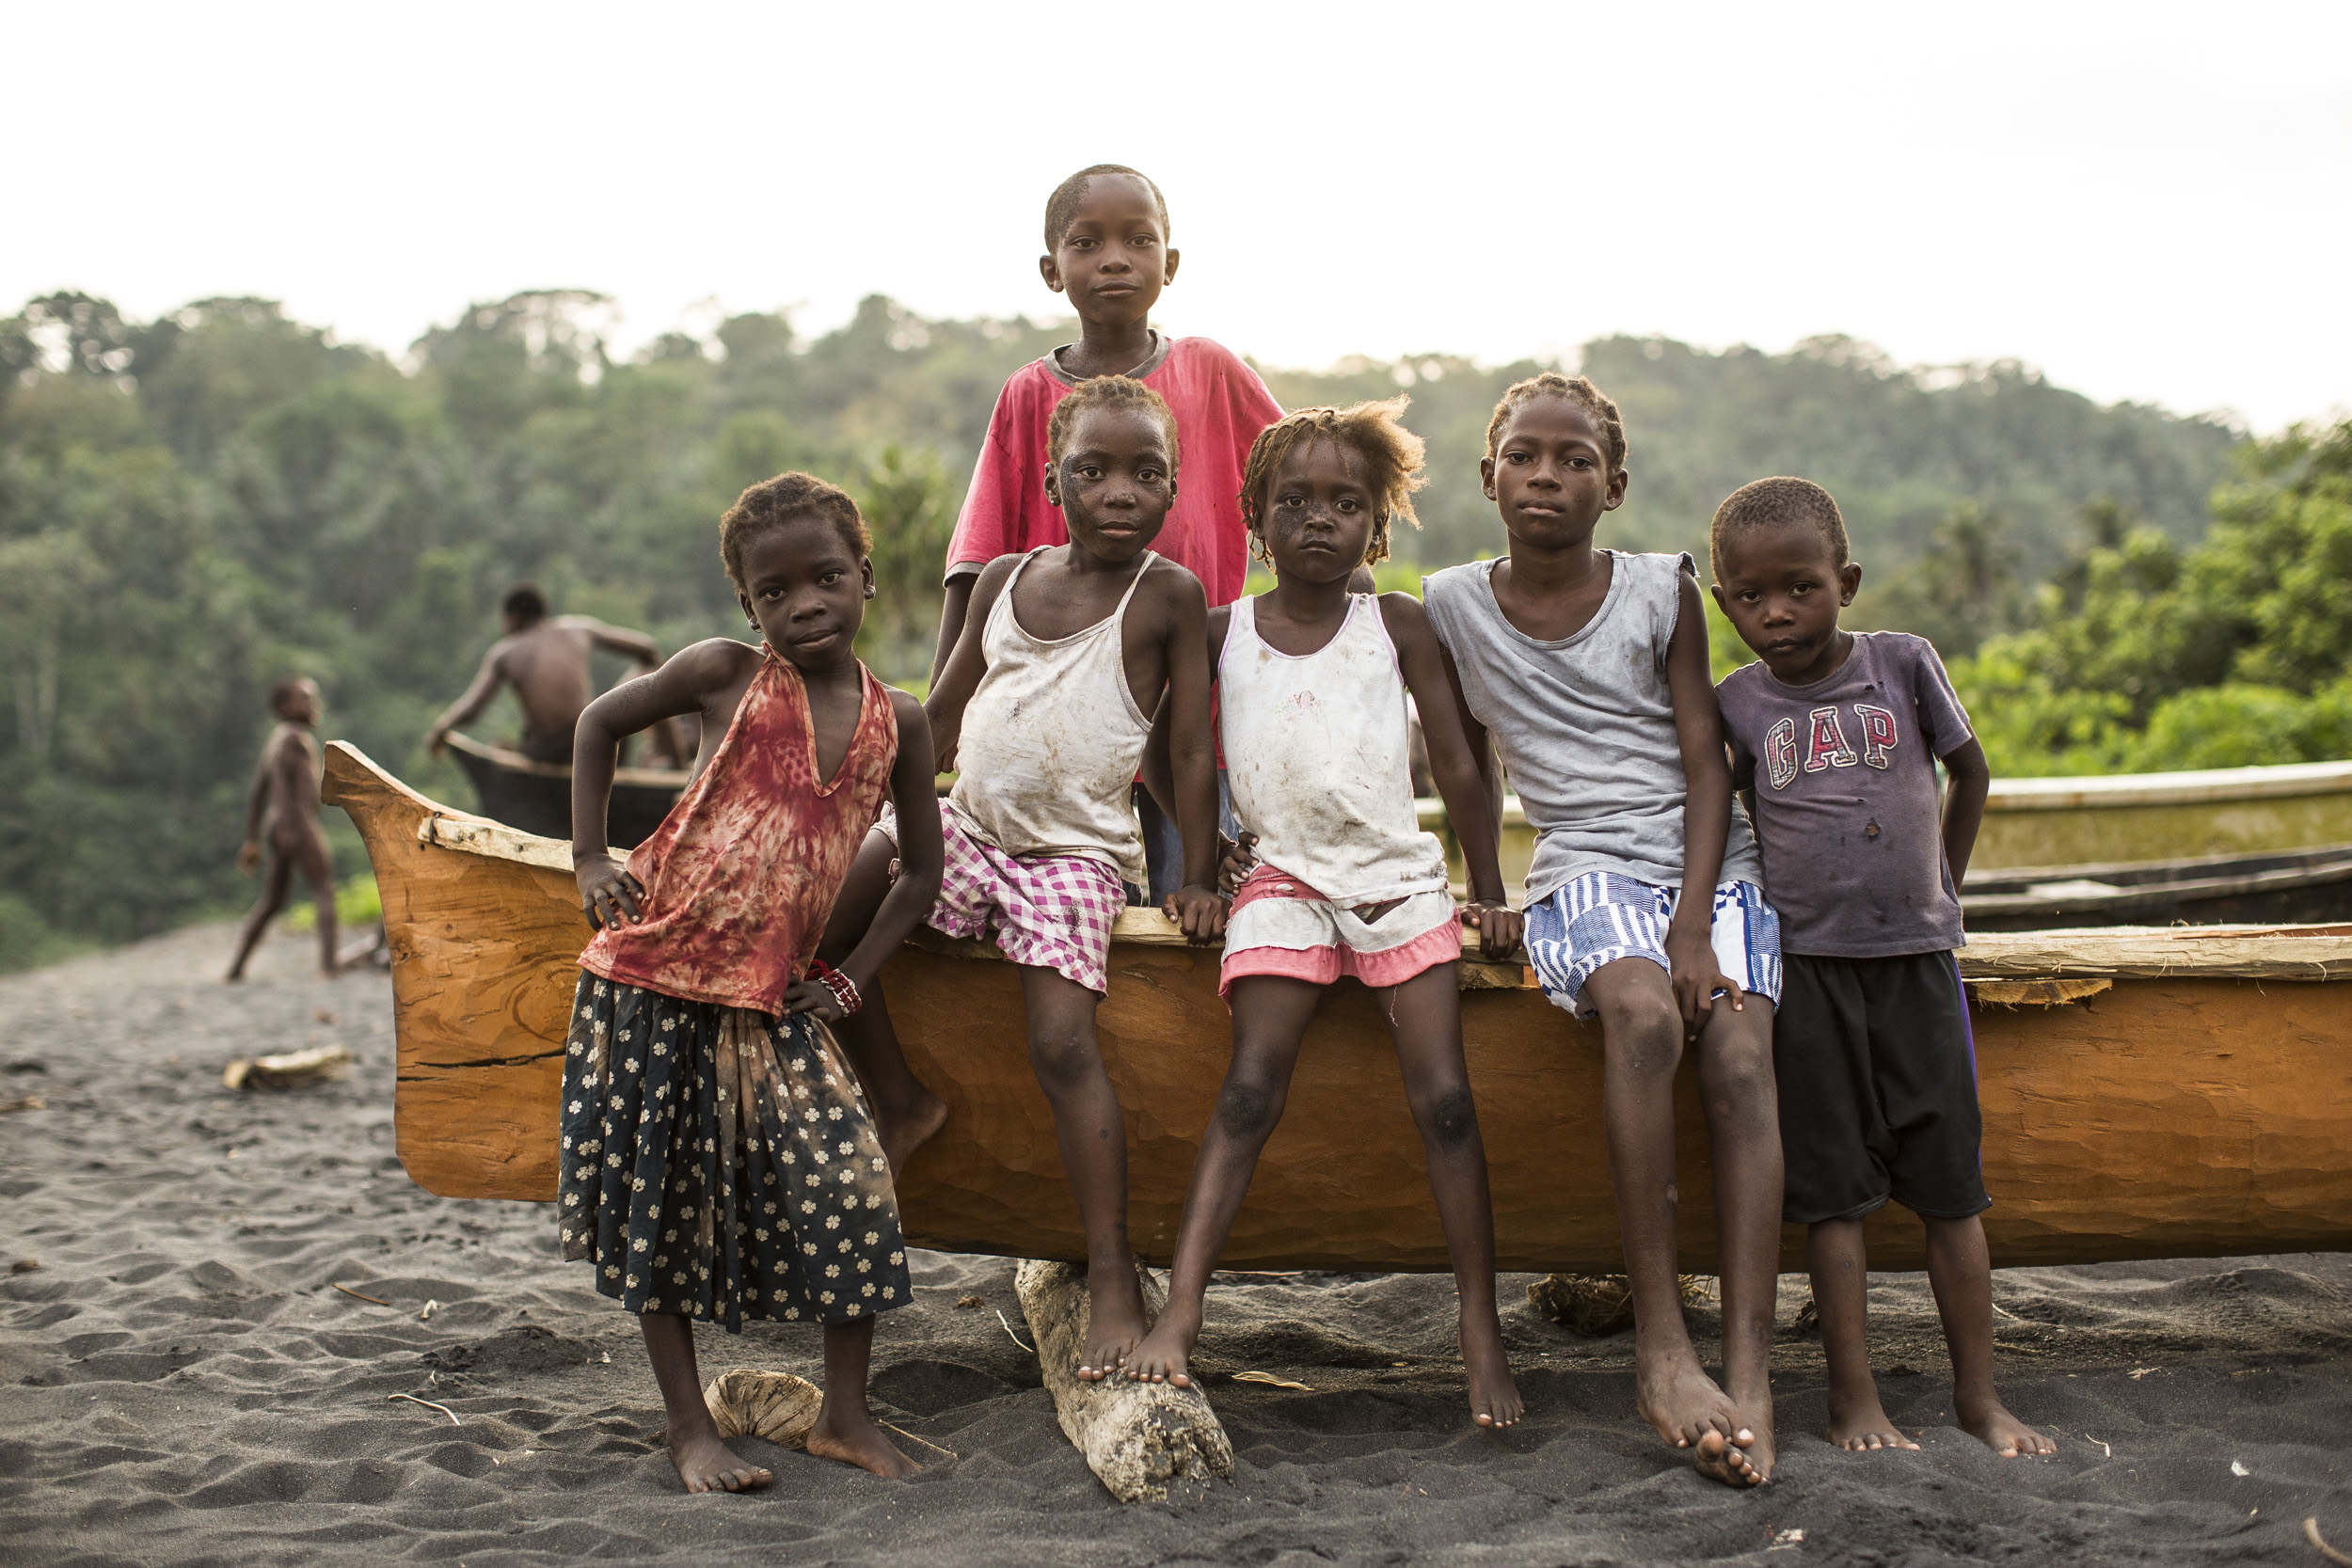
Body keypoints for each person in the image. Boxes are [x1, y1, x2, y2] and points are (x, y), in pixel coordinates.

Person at [1123, 400, 1526, 1429]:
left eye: (1345, 503)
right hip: (1282, 884)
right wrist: (1206, 864)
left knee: (1445, 1099)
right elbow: (1166, 753)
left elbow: (1461, 763)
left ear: (1376, 527)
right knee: (1251, 1084)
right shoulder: (1220, 633)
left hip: (1398, 880)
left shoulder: (1392, 623)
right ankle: (1181, 1312)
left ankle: (1479, 1332)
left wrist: (1485, 887)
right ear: (1253, 516)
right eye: (1292, 501)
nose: (1318, 519)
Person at [1422, 373, 1785, 1487]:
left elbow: (1702, 761)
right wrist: (1481, 882)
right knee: (1636, 1011)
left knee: (1733, 1044)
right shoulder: (1446, 604)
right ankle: (1661, 1343)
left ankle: (1752, 1368)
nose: (1546, 474)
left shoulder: (1657, 588)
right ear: (1488, 476)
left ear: (1612, 485)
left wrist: (1691, 926)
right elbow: (1463, 764)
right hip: (1578, 860)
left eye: (1573, 459)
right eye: (1524, 456)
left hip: (1705, 862)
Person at [829, 374, 1226, 1382]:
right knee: (826, 909)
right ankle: (899, 1096)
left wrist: (1202, 871)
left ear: (1174, 487)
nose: (1119, 492)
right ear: (1055, 481)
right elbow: (942, 709)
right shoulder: (1006, 577)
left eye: (1145, 473)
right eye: (1093, 471)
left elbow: (1185, 752)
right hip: (965, 826)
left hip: (1073, 856)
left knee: (1060, 1039)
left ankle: (1106, 1270)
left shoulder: (1168, 595)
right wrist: (865, 803)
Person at [559, 471, 946, 1490]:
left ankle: (844, 1415)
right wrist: (592, 857)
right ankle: (691, 1427)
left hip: (772, 1002)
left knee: (850, 1187)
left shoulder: (897, 720)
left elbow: (920, 875)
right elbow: (597, 722)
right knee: (666, 1216)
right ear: (748, 606)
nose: (804, 604)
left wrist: (852, 982)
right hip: (654, 983)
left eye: (825, 578)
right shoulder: (723, 674)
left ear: (864, 576)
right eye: (776, 592)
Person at [1710, 476, 2051, 1461]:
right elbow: (1714, 807)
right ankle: (1852, 1399)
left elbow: (1970, 769)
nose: (1775, 611)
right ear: (1726, 601)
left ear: (1844, 581)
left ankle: (1980, 1398)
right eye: (1749, 594)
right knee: (1831, 1193)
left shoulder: (1900, 665)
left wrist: (1946, 882)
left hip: (1915, 965)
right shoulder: (1738, 701)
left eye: (1800, 587)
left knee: (1951, 1187)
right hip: (1808, 972)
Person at [933, 164, 1336, 901]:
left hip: (1200, 716)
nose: (1114, 258)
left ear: (1169, 264)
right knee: (1071, 909)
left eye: (1137, 240)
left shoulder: (1210, 372)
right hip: (1063, 725)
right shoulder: (1029, 394)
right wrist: (944, 721)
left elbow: (1299, 474)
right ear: (1053, 270)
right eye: (1088, 243)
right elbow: (976, 563)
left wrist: (1350, 577)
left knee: (1200, 897)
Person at [426, 584, 666, 766]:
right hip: (598, 741)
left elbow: (472, 710)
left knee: (651, 677)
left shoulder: (506, 651)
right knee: (651, 674)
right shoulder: (579, 628)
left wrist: (440, 729)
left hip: (553, 751)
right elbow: (647, 648)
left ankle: (669, 759)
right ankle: (675, 763)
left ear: (512, 617)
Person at [226, 676, 340, 982]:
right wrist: (291, 827)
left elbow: (256, 793)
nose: (312, 704)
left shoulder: (277, 740)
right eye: (305, 698)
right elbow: (277, 784)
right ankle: (330, 966)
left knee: (273, 900)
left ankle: (236, 967)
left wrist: (252, 840)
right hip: (296, 822)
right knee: (324, 888)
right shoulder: (292, 739)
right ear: (284, 706)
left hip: (280, 824)